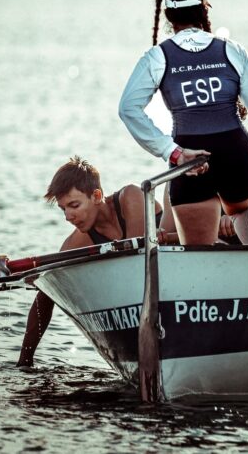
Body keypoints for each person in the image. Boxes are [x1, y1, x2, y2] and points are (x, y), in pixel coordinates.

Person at [118, 0, 248, 246]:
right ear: (203, 9)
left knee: (199, 251)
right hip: (236, 156)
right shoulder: (231, 49)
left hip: (190, 162)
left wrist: (172, 152)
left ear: (168, 16)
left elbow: (128, 109)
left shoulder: (157, 56)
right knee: (244, 208)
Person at [18, 156, 164, 367]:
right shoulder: (79, 240)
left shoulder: (131, 197)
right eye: (63, 209)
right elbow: (46, 293)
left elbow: (135, 264)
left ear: (96, 196)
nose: (68, 216)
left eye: (74, 205)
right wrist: (25, 360)